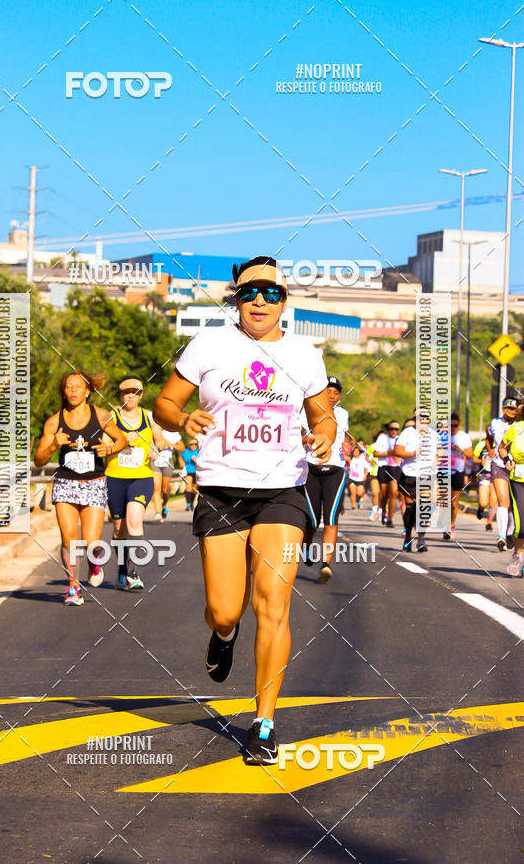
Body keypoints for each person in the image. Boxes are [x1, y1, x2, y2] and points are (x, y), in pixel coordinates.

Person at [153, 256, 335, 766]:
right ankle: (223, 634)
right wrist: (181, 416)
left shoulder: (303, 354)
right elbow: (163, 404)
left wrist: (323, 434)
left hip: (282, 491)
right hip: (221, 491)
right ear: (236, 297)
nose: (260, 302)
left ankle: (265, 723)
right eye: (250, 292)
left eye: (271, 294)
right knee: (226, 608)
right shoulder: (210, 344)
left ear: (284, 302)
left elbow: (323, 416)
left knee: (273, 605)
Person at [33, 371, 127, 605]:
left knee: (92, 543)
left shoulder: (102, 415)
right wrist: (54, 443)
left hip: (94, 483)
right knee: (69, 538)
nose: (73, 390)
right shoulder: (55, 421)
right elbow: (39, 460)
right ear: (63, 392)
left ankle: (94, 563)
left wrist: (111, 450)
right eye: (68, 387)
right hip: (65, 484)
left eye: (78, 387)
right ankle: (73, 587)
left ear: (87, 392)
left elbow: (122, 439)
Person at [105, 375, 161, 592]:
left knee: (134, 520)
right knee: (119, 528)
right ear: (121, 395)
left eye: (135, 392)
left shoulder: (149, 417)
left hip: (141, 477)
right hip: (115, 478)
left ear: (141, 395)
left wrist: (157, 450)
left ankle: (133, 573)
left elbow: (159, 441)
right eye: (127, 392)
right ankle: (121, 568)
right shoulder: (111, 417)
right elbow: (103, 444)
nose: (131, 395)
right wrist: (120, 442)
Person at [302, 376, 349, 583]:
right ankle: (306, 546)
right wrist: (310, 438)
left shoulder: (343, 414)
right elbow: (299, 436)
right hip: (311, 468)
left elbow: (343, 438)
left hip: (335, 470)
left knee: (331, 520)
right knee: (312, 519)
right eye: (328, 391)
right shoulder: (308, 410)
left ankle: (326, 564)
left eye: (336, 392)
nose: (331, 395)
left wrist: (348, 446)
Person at [395, 408, 439, 552]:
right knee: (410, 507)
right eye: (420, 417)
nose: (423, 420)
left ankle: (421, 538)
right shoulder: (407, 433)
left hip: (427, 474)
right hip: (409, 474)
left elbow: (439, 451)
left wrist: (437, 460)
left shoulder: (433, 434)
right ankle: (408, 536)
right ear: (415, 419)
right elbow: (397, 451)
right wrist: (413, 453)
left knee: (426, 504)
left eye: (426, 417)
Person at [487, 397, 519, 550]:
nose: (510, 412)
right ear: (503, 409)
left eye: (513, 409)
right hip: (500, 464)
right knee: (504, 501)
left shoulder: (520, 425)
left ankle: (510, 532)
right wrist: (491, 450)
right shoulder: (495, 423)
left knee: (514, 505)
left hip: (517, 467)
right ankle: (501, 537)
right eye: (507, 408)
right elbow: (490, 437)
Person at [499, 403, 524, 575]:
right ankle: (517, 554)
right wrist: (508, 458)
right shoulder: (517, 428)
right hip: (519, 480)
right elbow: (502, 447)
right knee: (521, 526)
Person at [444, 411, 474, 541]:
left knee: (454, 502)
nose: (452, 428)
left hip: (458, 470)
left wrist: (459, 449)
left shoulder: (464, 437)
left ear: (459, 425)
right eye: (450, 425)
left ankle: (451, 525)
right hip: (443, 470)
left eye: (455, 426)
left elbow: (470, 455)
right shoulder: (441, 436)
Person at [151, 430, 185, 520]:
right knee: (156, 488)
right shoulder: (152, 429)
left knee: (165, 490)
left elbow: (182, 448)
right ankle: (158, 513)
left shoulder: (172, 432)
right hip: (155, 460)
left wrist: (169, 444)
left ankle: (164, 504)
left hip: (167, 461)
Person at [373, 420, 401, 527]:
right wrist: (387, 453)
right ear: (388, 429)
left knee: (393, 493)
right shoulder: (382, 438)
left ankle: (390, 518)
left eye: (396, 429)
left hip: (395, 468)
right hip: (383, 467)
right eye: (392, 429)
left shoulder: (400, 439)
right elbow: (375, 453)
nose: (394, 431)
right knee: (384, 494)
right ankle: (384, 511)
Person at [473, 436, 497, 531]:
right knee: (483, 502)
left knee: (493, 501)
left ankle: (489, 523)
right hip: (484, 475)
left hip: (496, 475)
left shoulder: (500, 444)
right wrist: (481, 461)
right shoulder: (481, 444)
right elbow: (474, 458)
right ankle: (481, 508)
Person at [367, 430, 384, 520]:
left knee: (382, 494)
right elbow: (367, 457)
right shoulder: (372, 446)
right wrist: (371, 461)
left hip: (385, 472)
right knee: (375, 493)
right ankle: (374, 510)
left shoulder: (388, 447)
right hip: (374, 472)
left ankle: (381, 511)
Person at [348, 444, 368, 509]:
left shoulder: (363, 459)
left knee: (359, 493)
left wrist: (365, 476)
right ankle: (353, 505)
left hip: (360, 479)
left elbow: (366, 468)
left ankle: (358, 500)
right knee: (352, 493)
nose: (355, 453)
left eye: (357, 452)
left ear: (359, 453)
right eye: (354, 452)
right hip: (352, 478)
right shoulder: (351, 459)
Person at [180, 439, 199, 509]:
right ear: (189, 445)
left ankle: (191, 503)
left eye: (195, 444)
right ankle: (188, 504)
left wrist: (196, 460)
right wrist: (181, 463)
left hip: (196, 472)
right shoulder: (186, 451)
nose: (193, 445)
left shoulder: (199, 452)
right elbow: (180, 457)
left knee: (194, 489)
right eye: (191, 444)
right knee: (188, 486)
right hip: (188, 471)